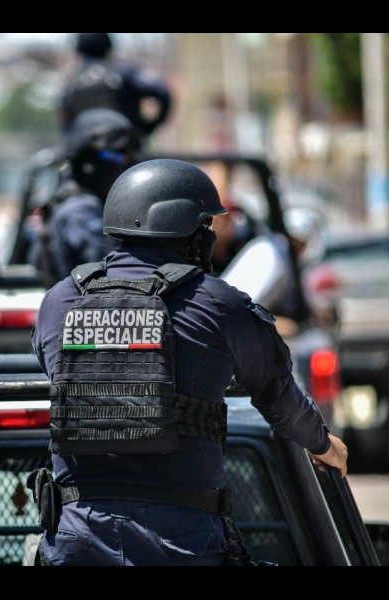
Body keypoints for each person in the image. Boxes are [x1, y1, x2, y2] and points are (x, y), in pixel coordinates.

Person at [27, 158, 347, 566]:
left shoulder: (59, 301)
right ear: (186, 231)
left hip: (76, 540)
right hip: (179, 541)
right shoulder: (218, 304)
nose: (210, 235)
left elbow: (56, 369)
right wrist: (323, 444)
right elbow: (278, 395)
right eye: (205, 225)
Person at [27, 107, 141, 287]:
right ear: (88, 162)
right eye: (116, 156)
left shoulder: (84, 203)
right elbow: (117, 270)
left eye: (129, 157)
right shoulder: (80, 210)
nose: (125, 163)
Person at [57, 33, 172, 141]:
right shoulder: (125, 72)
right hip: (124, 144)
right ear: (108, 46)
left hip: (84, 146)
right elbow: (161, 91)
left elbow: (65, 118)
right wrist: (147, 127)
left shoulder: (70, 81)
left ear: (79, 49)